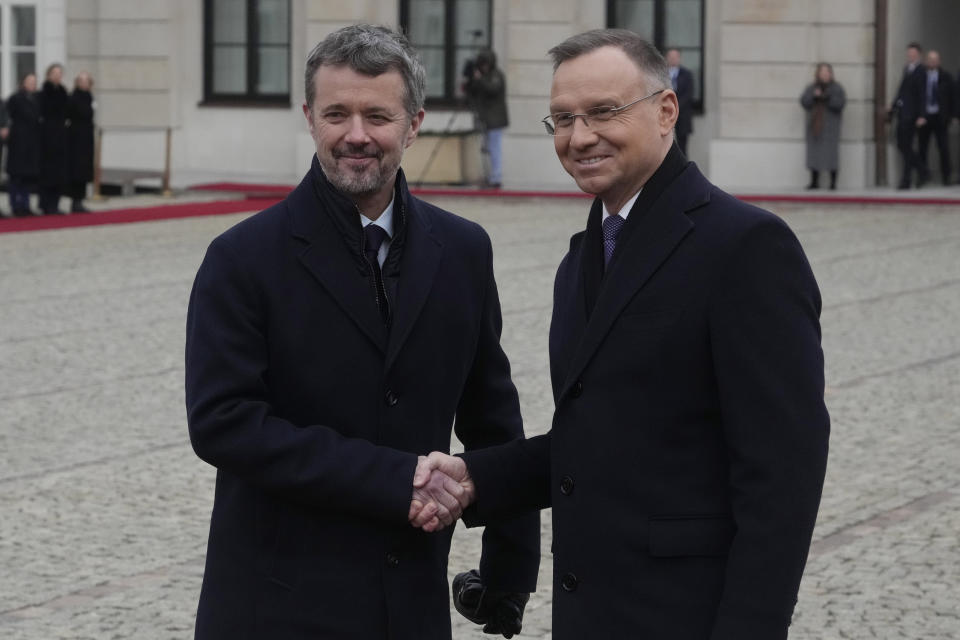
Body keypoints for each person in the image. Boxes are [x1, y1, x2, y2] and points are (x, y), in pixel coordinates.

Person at [412, 28, 830, 640]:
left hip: (687, 614)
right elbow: (599, 438)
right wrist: (479, 477)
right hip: (594, 612)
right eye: (562, 119)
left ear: (666, 112)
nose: (579, 137)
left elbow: (783, 474)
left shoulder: (745, 246)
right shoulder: (582, 258)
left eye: (603, 112)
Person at [184, 24, 538, 640]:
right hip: (276, 604)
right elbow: (225, 421)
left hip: (409, 602)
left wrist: (509, 571)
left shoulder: (462, 250)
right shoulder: (241, 257)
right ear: (308, 117)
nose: (356, 135)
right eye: (336, 114)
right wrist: (392, 479)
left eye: (378, 115)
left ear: (414, 123)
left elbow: (493, 419)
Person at [464, 49, 508, 188]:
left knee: (495, 148)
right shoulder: (483, 76)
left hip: (495, 119)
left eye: (486, 64)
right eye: (482, 64)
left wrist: (479, 79)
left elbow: (493, 89)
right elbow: (472, 92)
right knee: (486, 149)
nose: (484, 67)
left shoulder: (496, 75)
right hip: (485, 119)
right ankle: (489, 176)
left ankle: (496, 178)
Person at [800, 62, 846, 190]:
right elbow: (804, 101)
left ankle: (833, 183)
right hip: (815, 127)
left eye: (827, 72)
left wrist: (827, 97)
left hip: (831, 128)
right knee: (814, 154)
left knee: (831, 155)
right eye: (822, 72)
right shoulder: (812, 87)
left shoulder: (837, 88)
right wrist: (815, 97)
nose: (825, 75)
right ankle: (814, 181)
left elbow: (840, 104)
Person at [889, 42, 925, 189]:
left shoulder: (921, 71)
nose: (910, 56)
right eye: (909, 53)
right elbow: (902, 91)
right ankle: (922, 170)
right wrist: (893, 106)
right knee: (903, 145)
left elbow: (923, 95)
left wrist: (922, 115)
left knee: (907, 146)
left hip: (913, 115)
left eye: (913, 54)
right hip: (903, 114)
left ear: (918, 55)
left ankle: (907, 179)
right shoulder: (907, 69)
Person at [915, 50, 954, 186]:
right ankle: (922, 176)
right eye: (930, 59)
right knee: (922, 148)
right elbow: (916, 96)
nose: (932, 62)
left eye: (935, 59)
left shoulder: (946, 77)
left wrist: (951, 116)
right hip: (924, 117)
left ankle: (946, 176)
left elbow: (952, 98)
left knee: (943, 148)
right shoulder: (920, 76)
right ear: (926, 61)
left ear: (939, 61)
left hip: (940, 117)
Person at [5, 73, 41, 217]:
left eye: (34, 82)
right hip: (17, 143)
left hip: (31, 143)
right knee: (16, 176)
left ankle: (25, 205)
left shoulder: (36, 99)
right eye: (29, 81)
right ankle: (15, 205)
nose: (32, 84)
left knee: (27, 177)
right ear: (23, 83)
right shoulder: (15, 99)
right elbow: (8, 117)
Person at [38, 63, 68, 214]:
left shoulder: (63, 91)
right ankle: (45, 204)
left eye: (59, 73)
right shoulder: (44, 92)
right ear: (49, 75)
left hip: (60, 135)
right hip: (47, 135)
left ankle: (55, 203)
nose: (57, 76)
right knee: (47, 172)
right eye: (54, 73)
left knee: (59, 172)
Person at [66, 71, 95, 212]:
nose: (84, 83)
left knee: (84, 170)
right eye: (81, 81)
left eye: (86, 81)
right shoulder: (73, 98)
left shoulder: (89, 97)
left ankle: (80, 199)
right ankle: (75, 200)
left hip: (87, 138)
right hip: (76, 138)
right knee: (76, 170)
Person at [665, 47, 694, 154]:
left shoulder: (687, 74)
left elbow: (688, 94)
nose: (673, 59)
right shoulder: (662, 74)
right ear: (667, 58)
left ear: (679, 58)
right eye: (670, 57)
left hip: (682, 118)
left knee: (682, 149)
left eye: (675, 57)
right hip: (666, 116)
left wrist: (675, 107)